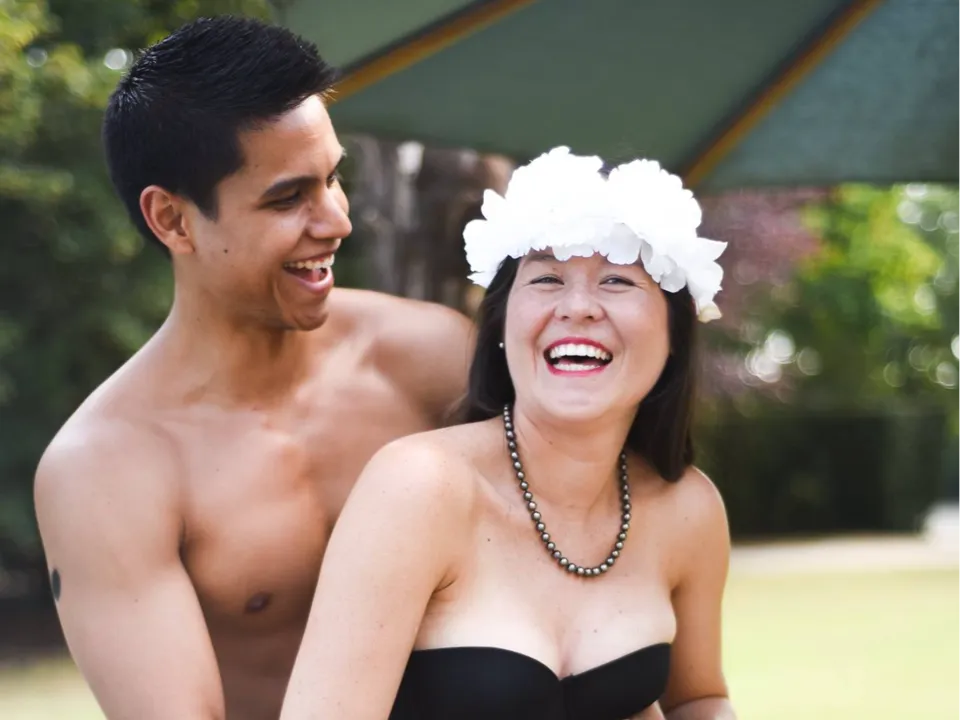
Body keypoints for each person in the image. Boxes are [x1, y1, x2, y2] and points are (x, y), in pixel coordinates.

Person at [33, 15, 473, 720]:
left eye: (333, 179)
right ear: (172, 220)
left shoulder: (432, 356)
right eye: (288, 198)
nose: (336, 221)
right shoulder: (105, 470)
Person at [280, 147, 737, 720]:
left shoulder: (688, 509)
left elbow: (698, 697)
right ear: (501, 323)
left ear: (674, 337)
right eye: (546, 278)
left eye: (618, 280)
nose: (578, 307)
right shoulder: (417, 488)